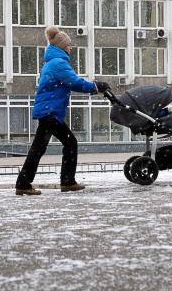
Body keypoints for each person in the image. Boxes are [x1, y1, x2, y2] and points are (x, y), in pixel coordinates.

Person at [15, 26, 110, 196]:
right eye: (68, 45)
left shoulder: (52, 63)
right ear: (61, 46)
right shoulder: (58, 63)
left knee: (42, 147)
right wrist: (95, 86)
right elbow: (75, 82)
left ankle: (27, 182)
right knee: (66, 144)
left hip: (49, 111)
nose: (71, 47)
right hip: (50, 112)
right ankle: (64, 181)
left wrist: (94, 86)